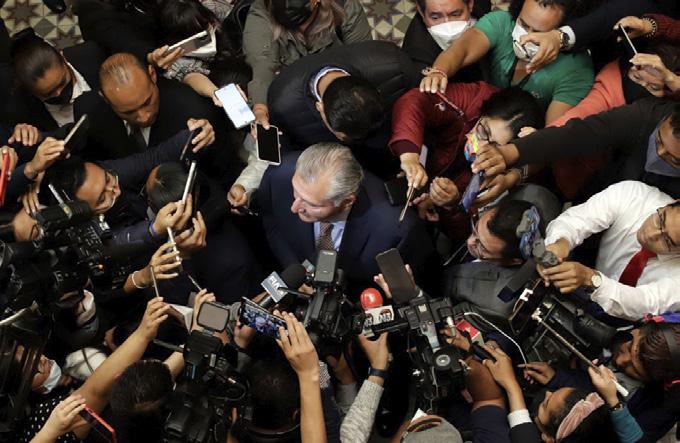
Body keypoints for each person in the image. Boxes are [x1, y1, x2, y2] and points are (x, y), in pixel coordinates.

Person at [43, 130, 261, 304]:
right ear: (84, 213)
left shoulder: (108, 173)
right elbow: (117, 246)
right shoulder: (87, 241)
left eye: (109, 179)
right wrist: (159, 233)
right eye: (102, 199)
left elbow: (155, 156)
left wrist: (193, 135)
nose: (115, 190)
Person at [258, 143, 435, 294]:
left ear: (347, 201)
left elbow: (412, 288)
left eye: (313, 204)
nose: (295, 208)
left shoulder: (396, 230)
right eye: (296, 193)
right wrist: (296, 272)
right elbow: (272, 221)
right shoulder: (280, 173)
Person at [390, 84, 544, 242]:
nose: (481, 148)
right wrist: (410, 157)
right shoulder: (473, 101)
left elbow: (470, 236)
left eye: (496, 147)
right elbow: (414, 101)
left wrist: (451, 203)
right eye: (484, 132)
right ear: (482, 114)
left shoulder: (505, 179)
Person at [546, 40, 680, 200]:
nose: (642, 87)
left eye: (654, 87)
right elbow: (580, 117)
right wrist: (547, 136)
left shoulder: (662, 114)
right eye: (637, 78)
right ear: (627, 70)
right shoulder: (609, 87)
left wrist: (672, 79)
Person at [420, 0, 594, 123]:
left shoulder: (576, 70)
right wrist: (439, 70)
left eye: (538, 33)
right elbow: (463, 49)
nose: (524, 38)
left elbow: (553, 133)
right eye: (523, 25)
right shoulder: (501, 23)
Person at [472, 99, 680, 199]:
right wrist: (507, 153)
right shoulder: (646, 116)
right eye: (658, 141)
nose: (659, 153)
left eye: (674, 159)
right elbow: (576, 135)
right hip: (597, 195)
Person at [267, 40, 420, 176]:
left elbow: (420, 106)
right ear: (320, 108)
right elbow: (289, 153)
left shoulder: (394, 64)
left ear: (378, 91)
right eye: (344, 137)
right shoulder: (283, 105)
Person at [538, 181, 680, 321]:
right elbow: (579, 219)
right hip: (585, 277)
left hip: (624, 323)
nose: (651, 234)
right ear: (673, 202)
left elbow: (645, 303)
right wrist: (560, 243)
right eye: (660, 220)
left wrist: (591, 278)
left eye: (667, 241)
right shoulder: (635, 195)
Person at [74, 53, 223, 166]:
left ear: (152, 75)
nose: (143, 117)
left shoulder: (195, 111)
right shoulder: (88, 113)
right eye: (128, 112)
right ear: (105, 99)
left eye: (147, 102)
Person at [243, 0, 372, 129]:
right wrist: (260, 109)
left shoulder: (345, 6)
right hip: (291, 92)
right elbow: (262, 63)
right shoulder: (262, 11)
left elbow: (362, 59)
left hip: (336, 86)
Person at [8, 32, 106, 130]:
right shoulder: (23, 110)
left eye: (62, 83)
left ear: (63, 59)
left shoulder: (90, 55)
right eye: (48, 94)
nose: (58, 93)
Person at [401, 0, 480, 76]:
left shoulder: (482, 5)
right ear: (421, 12)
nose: (448, 27)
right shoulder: (417, 54)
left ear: (470, 4)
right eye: (435, 17)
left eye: (455, 15)